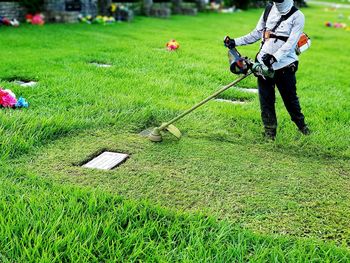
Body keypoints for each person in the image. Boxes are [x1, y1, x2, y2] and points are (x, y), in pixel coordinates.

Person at [224, 0, 310, 140]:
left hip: (285, 66)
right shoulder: (269, 9)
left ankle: (302, 127)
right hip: (263, 64)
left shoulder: (298, 16)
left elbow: (291, 43)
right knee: (266, 100)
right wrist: (235, 41)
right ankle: (269, 133)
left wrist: (274, 58)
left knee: (290, 100)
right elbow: (257, 33)